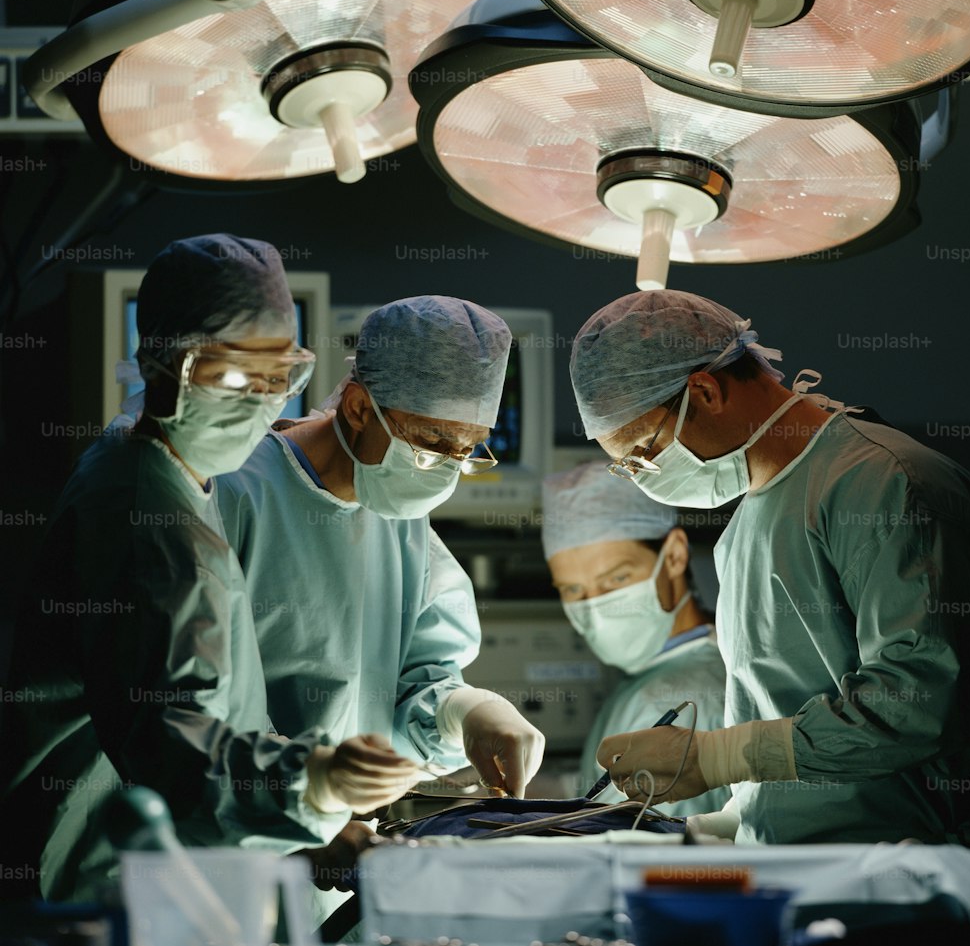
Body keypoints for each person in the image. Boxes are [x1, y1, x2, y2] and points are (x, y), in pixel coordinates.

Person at [0, 235, 423, 904]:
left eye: (278, 375)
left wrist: (309, 831)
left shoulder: (165, 470)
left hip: (156, 873)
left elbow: (209, 717)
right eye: (229, 376)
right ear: (163, 360)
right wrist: (310, 782)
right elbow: (170, 747)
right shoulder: (145, 517)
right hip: (102, 891)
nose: (260, 398)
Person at [569, 288, 970, 852]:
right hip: (802, 869)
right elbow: (787, 723)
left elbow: (919, 701)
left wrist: (716, 757)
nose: (642, 475)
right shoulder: (746, 524)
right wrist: (740, 820)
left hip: (898, 874)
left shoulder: (886, 484)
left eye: (641, 453)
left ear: (703, 390)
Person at [216, 295, 545, 820]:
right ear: (358, 407)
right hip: (219, 844)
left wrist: (463, 712)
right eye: (433, 442)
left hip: (333, 850)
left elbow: (416, 682)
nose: (445, 469)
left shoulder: (397, 512)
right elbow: (192, 711)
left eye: (468, 451)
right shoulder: (234, 492)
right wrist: (298, 800)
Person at [541, 462, 729, 814]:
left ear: (673, 555)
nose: (595, 606)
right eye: (573, 589)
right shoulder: (691, 663)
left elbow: (628, 849)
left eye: (616, 580)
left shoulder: (665, 701)